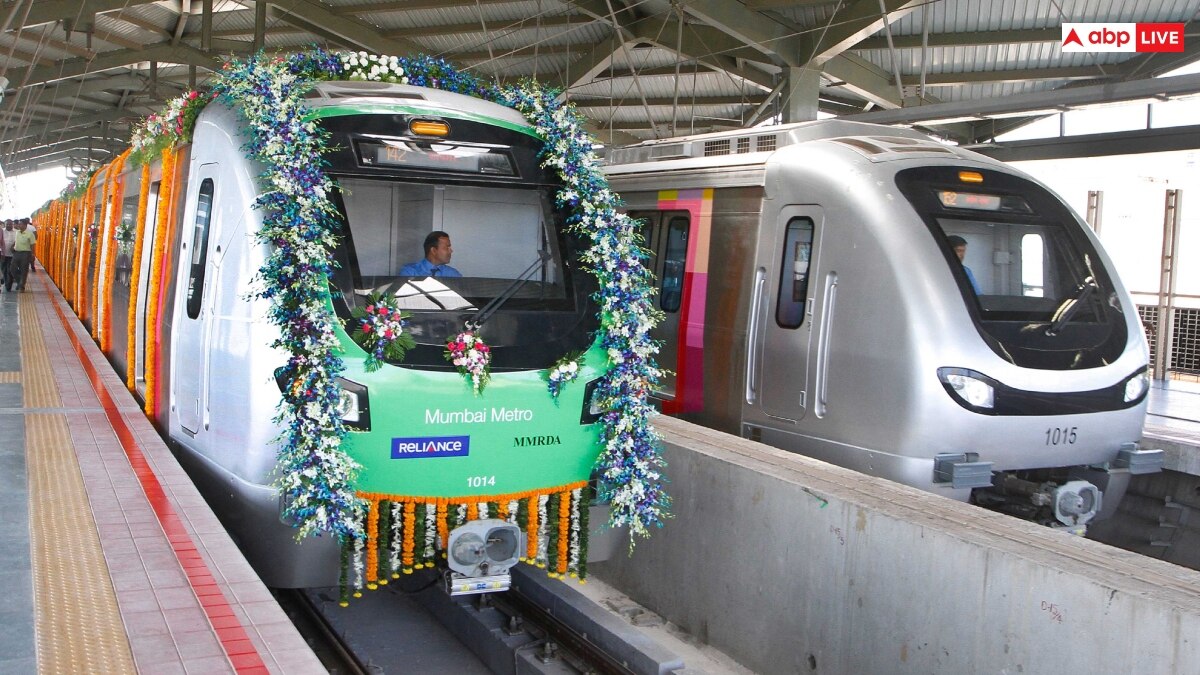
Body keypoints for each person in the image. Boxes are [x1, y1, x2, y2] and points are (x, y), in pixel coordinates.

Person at [10, 219, 36, 292]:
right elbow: (16, 241)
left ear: (25, 225)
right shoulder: (17, 232)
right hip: (16, 253)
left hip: (25, 254)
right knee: (12, 269)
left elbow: (32, 245)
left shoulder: (30, 234)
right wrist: (12, 246)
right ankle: (20, 282)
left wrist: (33, 255)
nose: (19, 225)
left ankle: (22, 286)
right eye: (19, 224)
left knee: (24, 270)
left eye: (21, 224)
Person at [0, 220, 14, 291]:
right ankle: (6, 282)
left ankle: (9, 285)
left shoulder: (16, 232)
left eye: (10, 224)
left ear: (12, 225)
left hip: (12, 255)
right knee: (4, 270)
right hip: (3, 255)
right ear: (5, 224)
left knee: (10, 270)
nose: (8, 225)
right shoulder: (2, 231)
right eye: (7, 224)